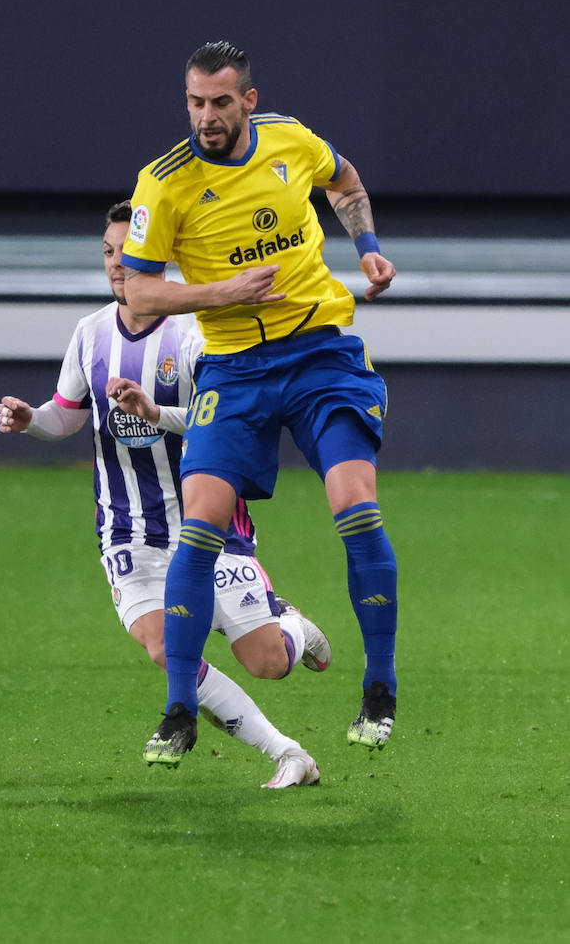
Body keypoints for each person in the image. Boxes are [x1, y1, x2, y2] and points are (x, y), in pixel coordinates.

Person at [119, 41, 398, 766]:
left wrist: (366, 244)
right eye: (194, 103)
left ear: (247, 99)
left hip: (320, 355)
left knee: (354, 505)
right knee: (200, 525)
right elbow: (142, 290)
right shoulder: (165, 183)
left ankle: (379, 685)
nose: (205, 118)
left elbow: (345, 181)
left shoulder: (290, 139)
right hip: (235, 369)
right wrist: (222, 293)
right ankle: (179, 708)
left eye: (219, 102)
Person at [0, 202, 329, 788]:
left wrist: (154, 412)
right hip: (128, 528)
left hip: (206, 522)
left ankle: (292, 628)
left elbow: (221, 425)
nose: (117, 263)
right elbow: (69, 416)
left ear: (161, 258)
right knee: (164, 646)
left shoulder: (197, 331)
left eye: (129, 251)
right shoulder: (91, 333)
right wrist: (31, 419)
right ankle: (289, 754)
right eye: (107, 251)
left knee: (267, 663)